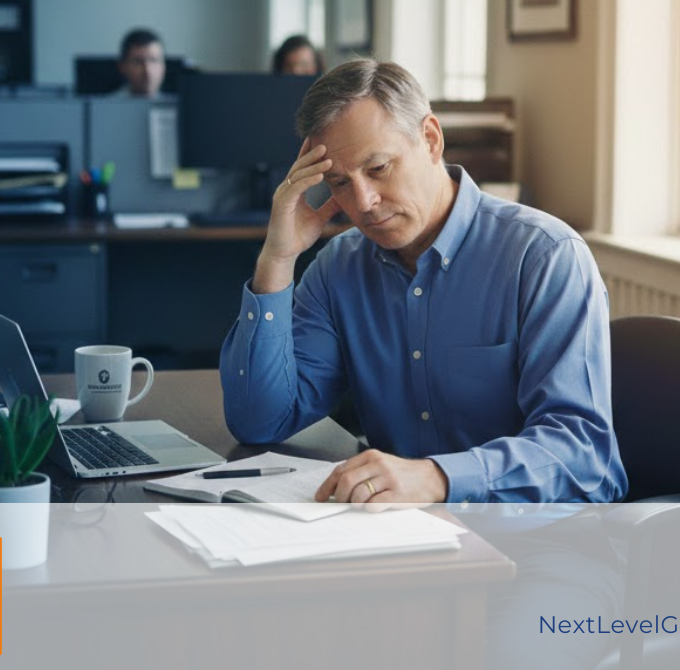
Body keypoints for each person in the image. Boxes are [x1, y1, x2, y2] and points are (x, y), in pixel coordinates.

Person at [220, 59, 626, 507]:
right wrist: (278, 258)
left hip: (534, 541)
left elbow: (584, 458)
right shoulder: (339, 269)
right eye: (339, 183)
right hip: (400, 538)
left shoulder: (545, 256)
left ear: (430, 139)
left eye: (378, 169)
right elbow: (259, 421)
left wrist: (437, 478)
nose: (364, 203)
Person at [117, 28, 165, 97]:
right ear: (123, 67)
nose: (148, 71)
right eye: (138, 62)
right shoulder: (104, 106)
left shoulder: (178, 105)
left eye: (154, 60)